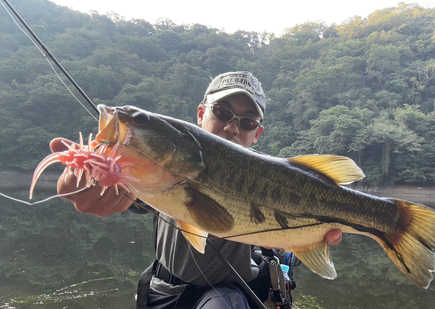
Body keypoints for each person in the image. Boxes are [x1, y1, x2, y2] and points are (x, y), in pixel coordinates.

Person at [50, 71, 343, 309]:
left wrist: (308, 238)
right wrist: (86, 184)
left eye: (247, 121)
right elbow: (122, 195)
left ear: (257, 133)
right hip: (165, 292)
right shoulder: (162, 170)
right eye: (222, 112)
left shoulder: (272, 179)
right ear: (201, 113)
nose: (231, 127)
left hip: (232, 297)